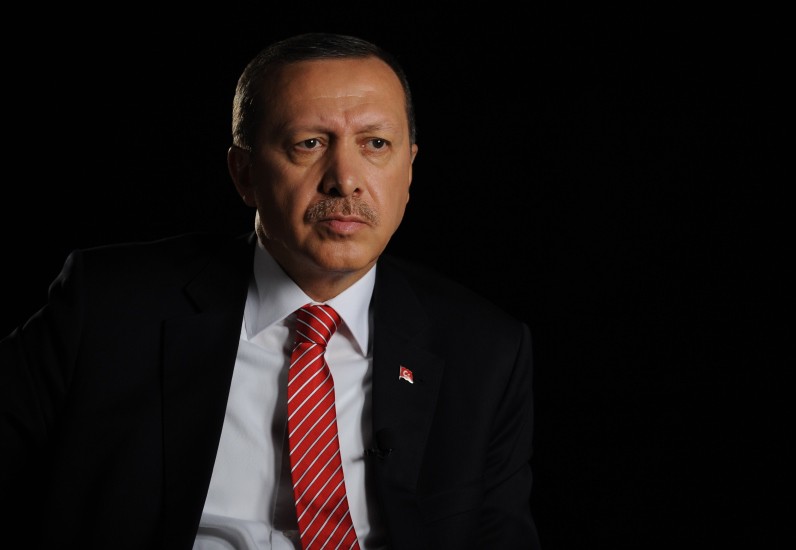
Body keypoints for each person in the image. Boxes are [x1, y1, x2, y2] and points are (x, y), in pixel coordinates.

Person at [0, 32, 540, 550]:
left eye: (376, 144)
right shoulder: (107, 307)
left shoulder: (485, 350)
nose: (345, 179)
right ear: (244, 174)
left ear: (409, 170)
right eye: (309, 144)